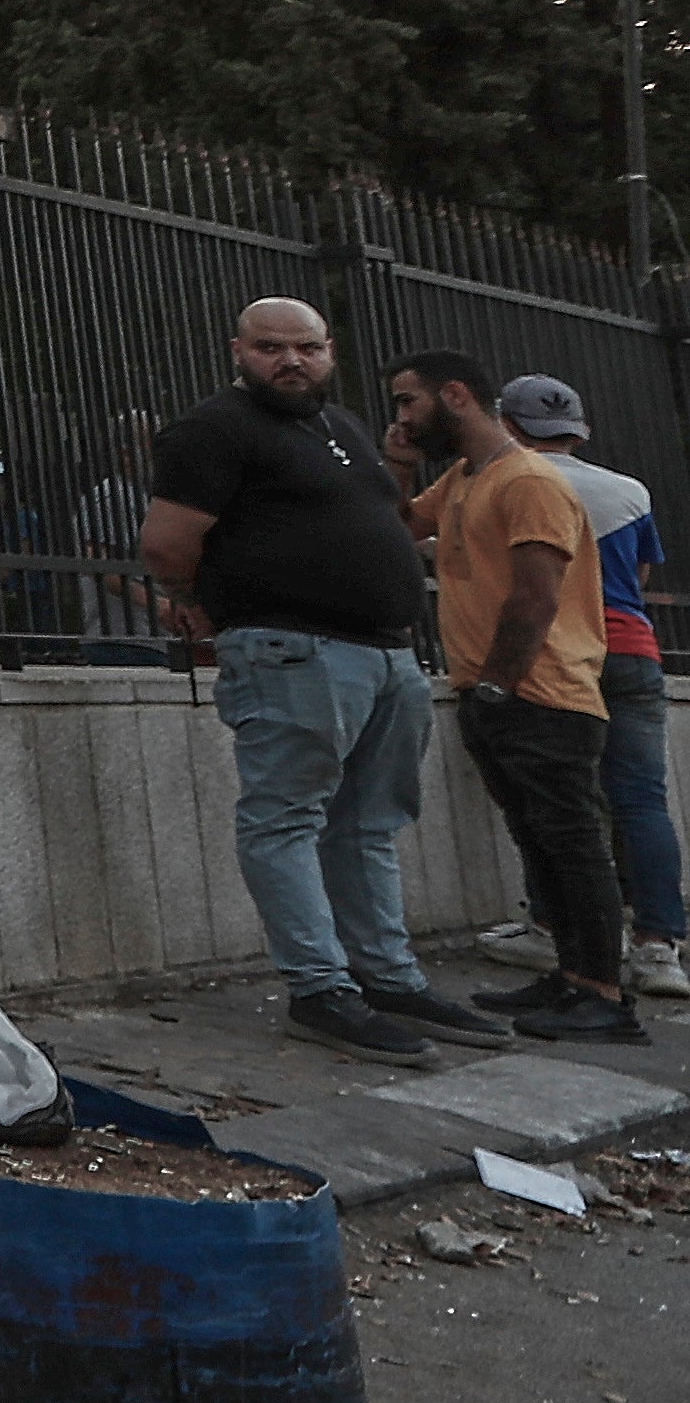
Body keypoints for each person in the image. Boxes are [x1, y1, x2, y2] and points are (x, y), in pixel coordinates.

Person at [133, 298, 506, 1062]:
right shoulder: (214, 430)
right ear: (239, 350)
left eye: (307, 348)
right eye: (271, 348)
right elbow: (168, 548)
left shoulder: (342, 430)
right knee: (285, 819)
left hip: (385, 655)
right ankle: (319, 988)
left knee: (370, 824)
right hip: (291, 653)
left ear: (330, 352)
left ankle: (387, 979)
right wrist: (201, 604)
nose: (291, 361)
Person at [388, 352, 637, 1044]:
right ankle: (570, 976)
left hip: (543, 692)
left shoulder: (530, 480)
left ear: (457, 396)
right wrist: (401, 468)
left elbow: (537, 595)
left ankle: (605, 994)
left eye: (411, 402)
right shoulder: (467, 479)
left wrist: (499, 684)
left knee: (573, 842)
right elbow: (395, 529)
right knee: (539, 841)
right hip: (495, 691)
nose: (403, 416)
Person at [473, 377, 683, 997]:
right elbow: (638, 575)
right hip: (635, 650)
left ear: (506, 424)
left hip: (559, 653)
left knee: (558, 801)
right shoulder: (630, 491)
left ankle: (552, 928)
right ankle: (659, 946)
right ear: (578, 428)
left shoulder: (511, 484)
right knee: (641, 798)